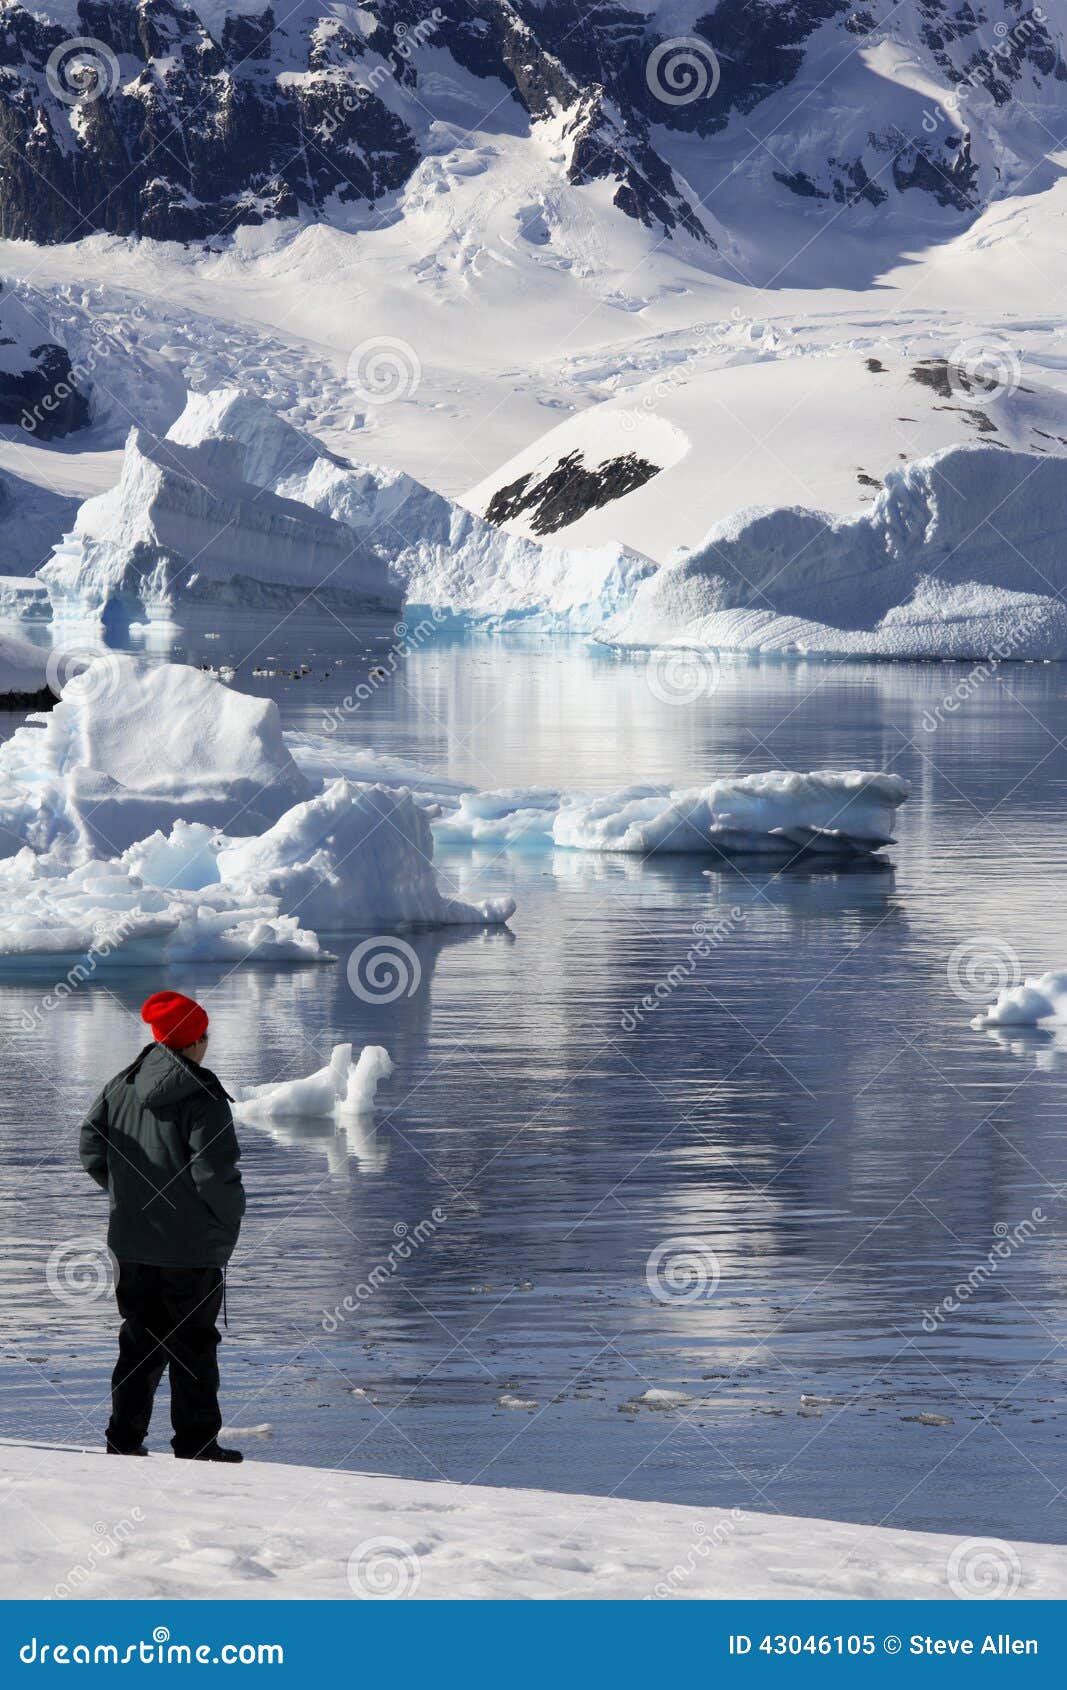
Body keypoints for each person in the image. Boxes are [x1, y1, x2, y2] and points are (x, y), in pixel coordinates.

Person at [79, 991, 245, 1462]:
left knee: (139, 1340)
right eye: (204, 1036)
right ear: (194, 1042)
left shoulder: (121, 1084)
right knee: (193, 1345)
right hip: (191, 1248)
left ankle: (123, 1441)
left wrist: (125, 1196)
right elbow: (215, 1175)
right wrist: (227, 1223)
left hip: (132, 1242)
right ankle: (196, 1446)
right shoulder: (204, 1096)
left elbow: (90, 1146)